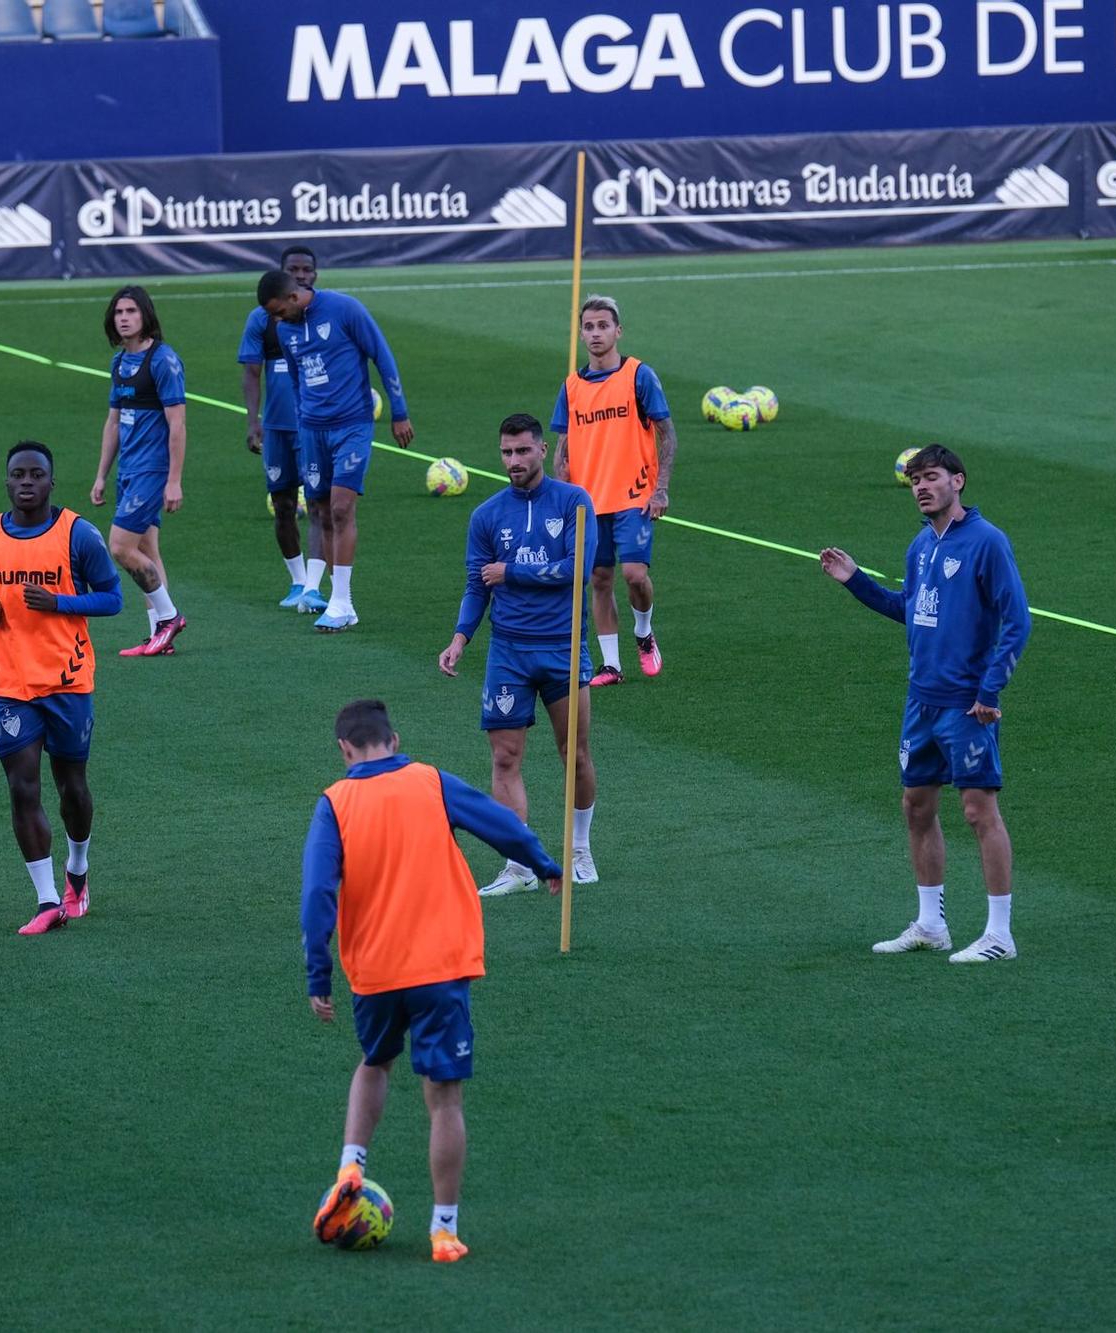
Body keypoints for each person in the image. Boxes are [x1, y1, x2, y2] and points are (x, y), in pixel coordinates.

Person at [302, 699, 562, 1264]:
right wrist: (544, 863)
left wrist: (318, 973)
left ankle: (352, 1164)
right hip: (441, 968)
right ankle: (444, 1231)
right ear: (394, 739)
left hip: (374, 971)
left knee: (374, 1063)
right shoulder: (431, 781)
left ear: (345, 749)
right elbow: (498, 825)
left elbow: (317, 893)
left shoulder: (335, 803)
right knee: (444, 1099)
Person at [819, 444, 1030, 964]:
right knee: (916, 807)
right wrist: (857, 583)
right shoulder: (920, 546)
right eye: (915, 480)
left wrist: (989, 691)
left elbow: (1017, 621)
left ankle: (999, 934)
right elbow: (911, 612)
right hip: (922, 702)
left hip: (966, 706)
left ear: (957, 482)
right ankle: (931, 924)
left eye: (931, 477)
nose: (921, 487)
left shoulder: (986, 542)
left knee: (979, 812)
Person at [438, 414, 600, 896]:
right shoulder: (486, 515)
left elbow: (579, 570)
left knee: (574, 755)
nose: (514, 461)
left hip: (562, 649)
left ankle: (579, 850)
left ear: (543, 450)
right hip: (508, 653)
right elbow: (476, 584)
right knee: (504, 759)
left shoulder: (574, 503)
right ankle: (520, 865)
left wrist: (511, 573)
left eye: (523, 451)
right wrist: (460, 638)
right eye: (507, 452)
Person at [0, 443, 122, 934]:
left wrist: (58, 602)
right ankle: (46, 900)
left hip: (67, 680)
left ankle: (77, 868)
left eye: (37, 474)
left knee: (71, 786)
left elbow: (113, 598)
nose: (27, 482)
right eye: (18, 474)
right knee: (21, 786)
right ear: (7, 481)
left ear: (52, 482)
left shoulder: (79, 535)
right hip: (10, 682)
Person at [257, 267, 415, 632]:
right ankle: (336, 600)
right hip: (312, 431)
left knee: (342, 508)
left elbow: (382, 355)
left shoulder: (345, 309)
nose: (276, 320)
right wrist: (301, 420)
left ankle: (343, 601)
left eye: (278, 310)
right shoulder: (285, 329)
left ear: (294, 297)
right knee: (322, 511)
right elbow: (296, 380)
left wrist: (399, 412)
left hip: (352, 426)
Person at [549, 295, 678, 686]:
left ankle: (643, 632)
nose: (595, 333)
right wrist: (562, 492)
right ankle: (611, 666)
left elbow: (667, 434)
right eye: (588, 327)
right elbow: (562, 448)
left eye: (603, 325)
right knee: (599, 580)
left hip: (635, 497)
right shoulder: (572, 386)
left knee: (635, 575)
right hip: (590, 503)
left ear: (617, 331)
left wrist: (661, 489)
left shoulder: (639, 375)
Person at [91, 285, 187, 658]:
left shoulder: (163, 361)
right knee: (147, 548)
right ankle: (159, 636)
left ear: (146, 315)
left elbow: (177, 424)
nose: (125, 317)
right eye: (119, 312)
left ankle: (169, 617)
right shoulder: (119, 363)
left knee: (120, 546)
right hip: (128, 470)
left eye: (131, 311)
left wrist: (174, 480)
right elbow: (113, 422)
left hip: (152, 470)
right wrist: (102, 474)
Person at [240, 245, 329, 613]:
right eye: (294, 269)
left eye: (307, 269)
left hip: (312, 426)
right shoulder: (263, 320)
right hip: (276, 429)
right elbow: (251, 370)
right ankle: (297, 580)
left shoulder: (325, 314)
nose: (302, 274)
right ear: (282, 274)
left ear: (315, 274)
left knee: (321, 505)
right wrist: (252, 420)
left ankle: (314, 586)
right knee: (283, 505)